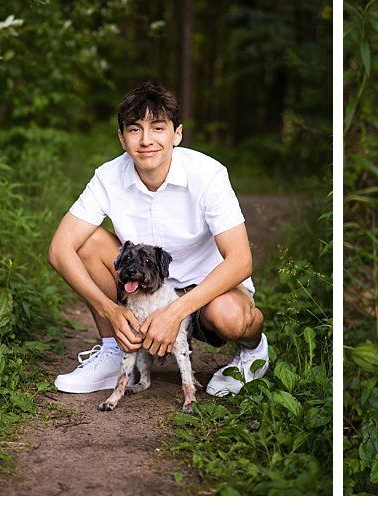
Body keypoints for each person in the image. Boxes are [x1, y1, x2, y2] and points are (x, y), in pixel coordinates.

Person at [47, 82, 270, 399]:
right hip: (144, 290)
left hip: (206, 291)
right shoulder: (108, 176)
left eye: (158, 127)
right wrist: (109, 310)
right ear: (122, 138)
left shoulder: (208, 174)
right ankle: (113, 348)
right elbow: (59, 250)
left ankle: (252, 351)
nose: (146, 140)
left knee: (232, 318)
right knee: (84, 243)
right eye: (135, 129)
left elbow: (240, 260)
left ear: (177, 134)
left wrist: (174, 311)